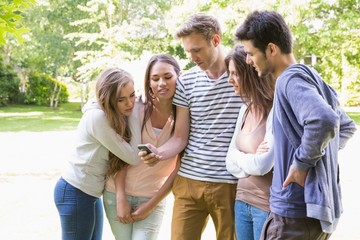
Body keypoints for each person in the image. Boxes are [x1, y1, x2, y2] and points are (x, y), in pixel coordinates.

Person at [235, 10, 357, 239]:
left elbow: (326, 120)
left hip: (294, 214)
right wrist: (317, 156)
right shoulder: (314, 78)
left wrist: (302, 164)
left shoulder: (289, 80)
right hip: (308, 215)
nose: (248, 60)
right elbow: (346, 126)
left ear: (271, 49)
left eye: (251, 53)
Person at [140, 13, 243, 240]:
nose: (192, 57)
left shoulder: (242, 78)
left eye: (197, 50)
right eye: (188, 51)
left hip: (229, 185)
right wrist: (159, 153)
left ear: (216, 41)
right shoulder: (186, 82)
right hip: (188, 182)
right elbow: (180, 137)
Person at [53, 67, 141, 240]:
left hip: (88, 193)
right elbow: (133, 157)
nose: (130, 103)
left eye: (132, 96)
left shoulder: (108, 115)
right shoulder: (97, 118)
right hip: (76, 191)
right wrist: (135, 114)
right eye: (121, 100)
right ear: (108, 99)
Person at [102, 54, 181, 240]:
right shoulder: (136, 109)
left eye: (168, 77)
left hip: (152, 197)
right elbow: (119, 153)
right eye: (155, 79)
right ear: (149, 82)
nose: (161, 83)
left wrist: (152, 204)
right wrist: (121, 197)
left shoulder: (184, 118)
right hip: (116, 194)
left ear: (179, 76)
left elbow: (180, 168)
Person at [225, 44, 275, 240]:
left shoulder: (274, 110)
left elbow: (263, 165)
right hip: (241, 202)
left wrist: (240, 158)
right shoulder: (244, 110)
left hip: (266, 206)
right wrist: (249, 160)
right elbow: (229, 161)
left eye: (235, 74)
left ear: (250, 73)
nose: (230, 80)